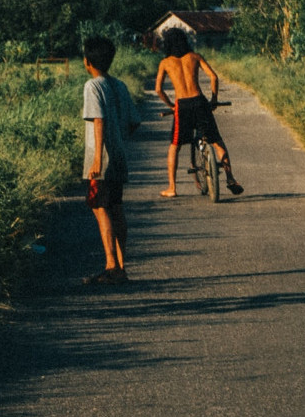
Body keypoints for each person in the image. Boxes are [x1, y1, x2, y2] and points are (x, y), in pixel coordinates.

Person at [154, 27, 243, 197]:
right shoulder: (195, 57)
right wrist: (214, 99)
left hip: (182, 105)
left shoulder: (165, 63)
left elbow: (158, 89)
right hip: (200, 102)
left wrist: (171, 105)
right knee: (217, 142)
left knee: (175, 146)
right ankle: (230, 178)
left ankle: (172, 187)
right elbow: (213, 77)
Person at [81, 35, 142, 285]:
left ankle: (110, 265)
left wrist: (97, 159)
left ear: (87, 61)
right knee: (116, 208)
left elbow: (98, 120)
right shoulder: (120, 85)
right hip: (118, 155)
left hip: (102, 159)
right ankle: (121, 265)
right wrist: (118, 140)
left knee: (100, 208)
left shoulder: (93, 86)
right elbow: (133, 121)